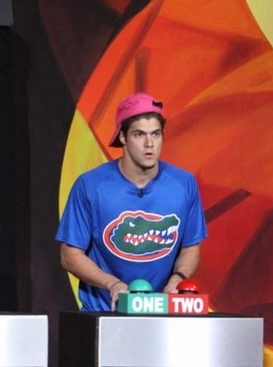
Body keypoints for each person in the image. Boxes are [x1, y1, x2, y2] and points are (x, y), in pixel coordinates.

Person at [56, 92, 207, 312]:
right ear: (123, 137)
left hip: (162, 313)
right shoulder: (90, 185)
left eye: (156, 134)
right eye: (139, 134)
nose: (149, 144)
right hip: (103, 313)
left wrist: (177, 279)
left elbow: (190, 247)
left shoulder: (184, 184)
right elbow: (69, 255)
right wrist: (112, 284)